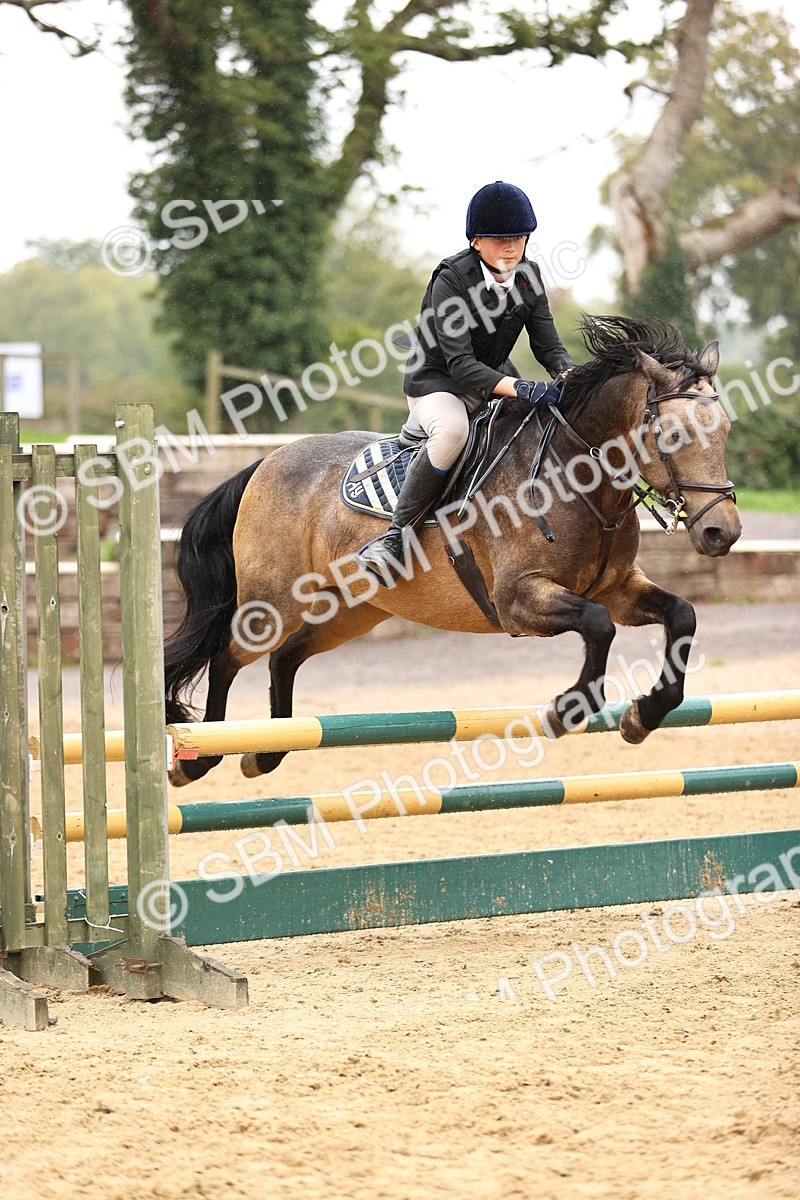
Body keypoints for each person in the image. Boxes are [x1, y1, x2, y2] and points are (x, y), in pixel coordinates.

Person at [357, 180, 575, 584]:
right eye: (500, 239)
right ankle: (394, 538)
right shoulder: (451, 279)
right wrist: (522, 388)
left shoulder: (528, 277)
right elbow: (460, 365)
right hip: (438, 381)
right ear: (476, 241)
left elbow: (549, 347)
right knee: (453, 431)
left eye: (518, 238)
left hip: (492, 375)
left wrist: (571, 376)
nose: (511, 247)